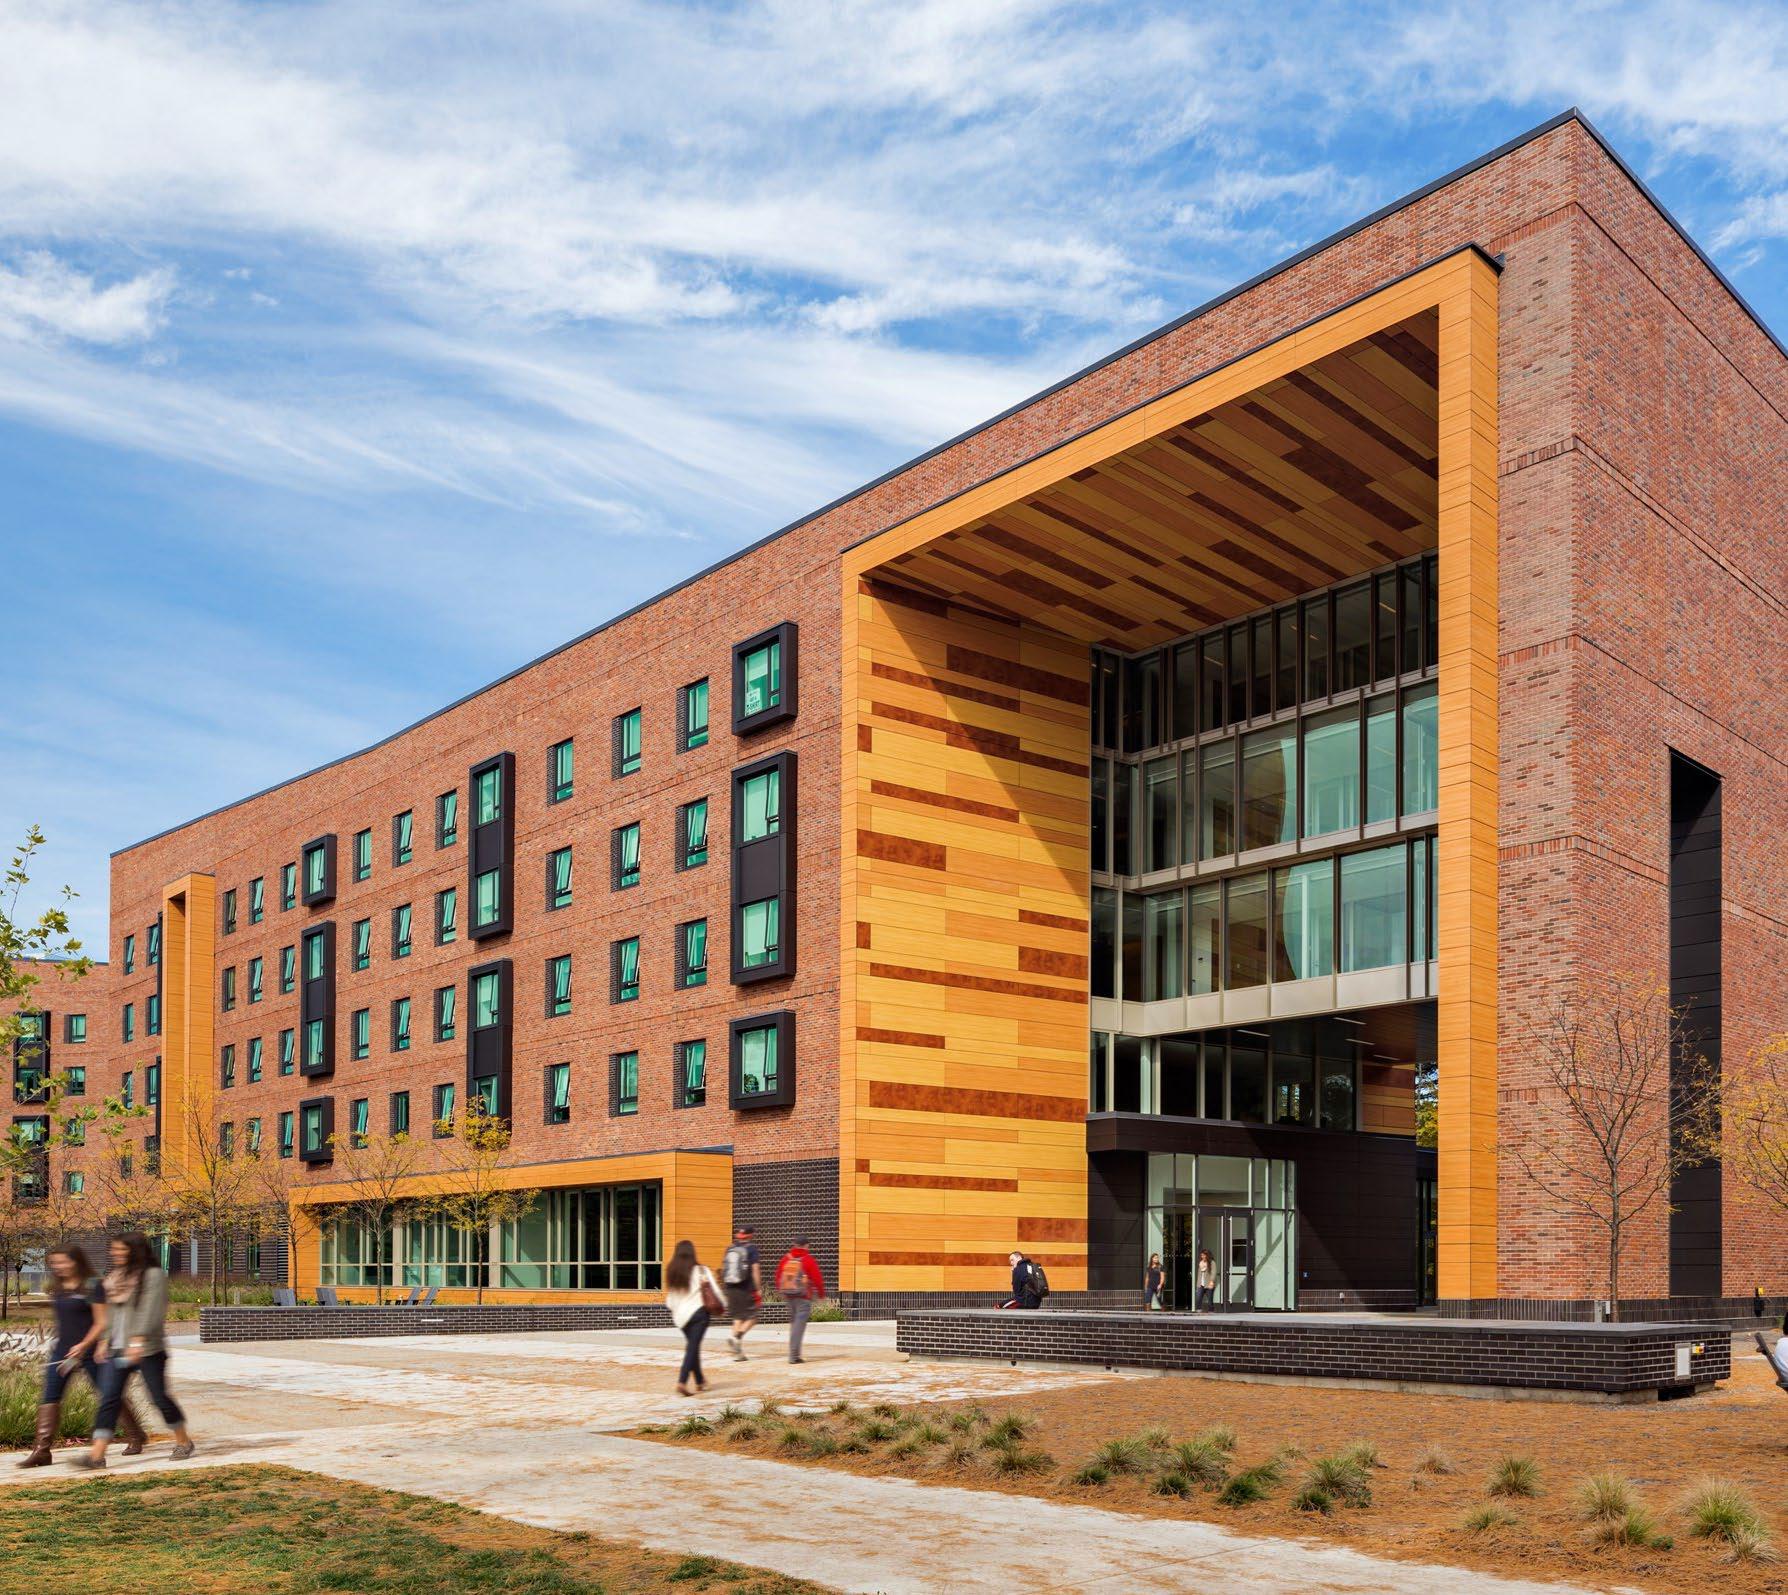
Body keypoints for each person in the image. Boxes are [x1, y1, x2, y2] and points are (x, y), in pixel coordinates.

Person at [70, 1233, 195, 1469]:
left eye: (120, 1249)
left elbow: (151, 1310)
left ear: (134, 1250)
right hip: (117, 1348)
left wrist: (138, 1340)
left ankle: (183, 1441)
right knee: (109, 1399)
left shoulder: (153, 1275)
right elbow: (111, 1313)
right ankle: (96, 1455)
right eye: (114, 1249)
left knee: (158, 1398)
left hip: (148, 1349)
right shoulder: (116, 1277)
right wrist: (104, 1340)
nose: (114, 1253)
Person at [16, 1245, 146, 1467]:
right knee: (50, 1396)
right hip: (63, 1351)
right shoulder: (58, 1287)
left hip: (92, 1351)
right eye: (54, 1263)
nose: (58, 1266)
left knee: (109, 1394)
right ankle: (42, 1451)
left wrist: (84, 1345)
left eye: (63, 1261)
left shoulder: (93, 1286)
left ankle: (135, 1435)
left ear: (76, 1261)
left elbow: (101, 1322)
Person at [664, 1239, 718, 1396]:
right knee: (692, 1347)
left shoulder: (672, 1271)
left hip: (681, 1317)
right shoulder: (701, 1271)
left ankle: (700, 1382)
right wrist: (722, 1306)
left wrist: (676, 1311)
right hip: (699, 1314)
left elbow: (670, 1299)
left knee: (693, 1347)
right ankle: (682, 1381)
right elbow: (714, 1290)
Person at [774, 1237, 826, 1364]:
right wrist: (821, 1295)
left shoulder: (786, 1258)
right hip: (803, 1298)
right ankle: (793, 1356)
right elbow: (817, 1279)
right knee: (799, 1326)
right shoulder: (808, 1259)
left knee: (794, 1325)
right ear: (806, 1245)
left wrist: (781, 1291)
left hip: (789, 1296)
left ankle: (795, 1355)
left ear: (795, 1245)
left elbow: (778, 1276)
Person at [720, 1225, 761, 1361]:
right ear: (751, 1235)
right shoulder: (751, 1249)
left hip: (730, 1287)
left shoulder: (730, 1248)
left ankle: (738, 1354)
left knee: (737, 1318)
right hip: (745, 1288)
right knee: (753, 1317)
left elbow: (724, 1269)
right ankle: (736, 1337)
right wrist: (758, 1288)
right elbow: (755, 1270)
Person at [1195, 1247, 1216, 1312]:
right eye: (1201, 1255)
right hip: (1200, 1284)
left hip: (1209, 1283)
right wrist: (1198, 1284)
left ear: (1207, 1255)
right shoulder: (1200, 1263)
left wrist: (1212, 1281)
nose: (1202, 1257)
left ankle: (1211, 1311)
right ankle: (1199, 1310)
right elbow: (1199, 1274)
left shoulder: (1212, 1262)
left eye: (1204, 1255)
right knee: (1198, 1298)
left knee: (1210, 1300)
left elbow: (1213, 1272)